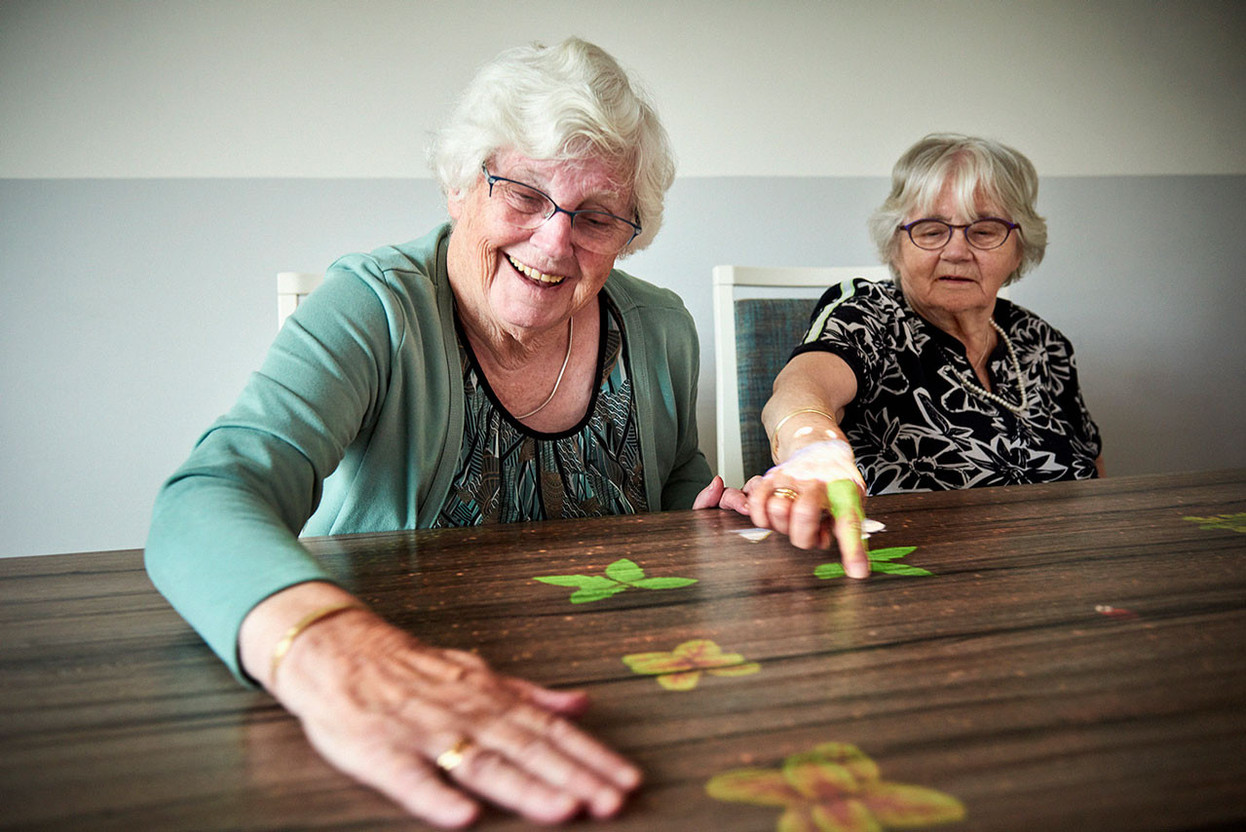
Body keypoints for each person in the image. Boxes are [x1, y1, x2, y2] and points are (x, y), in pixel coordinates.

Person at [146, 38, 745, 828]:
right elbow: (208, 496)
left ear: (628, 233)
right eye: (523, 194)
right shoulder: (374, 308)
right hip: (396, 705)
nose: (554, 241)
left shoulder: (660, 326)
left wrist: (721, 512)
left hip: (611, 701)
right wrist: (332, 648)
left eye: (597, 216)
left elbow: (673, 479)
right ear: (461, 186)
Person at [749, 133, 1103, 578]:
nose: (956, 251)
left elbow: (1094, 479)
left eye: (985, 230)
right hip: (920, 576)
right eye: (932, 231)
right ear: (895, 246)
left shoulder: (1043, 342)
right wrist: (813, 449)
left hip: (1056, 572)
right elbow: (802, 387)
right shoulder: (870, 315)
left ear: (1019, 248)